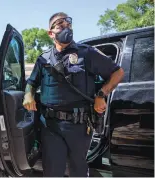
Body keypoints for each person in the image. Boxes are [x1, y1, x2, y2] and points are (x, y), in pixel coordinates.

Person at [23, 12, 124, 177]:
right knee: (52, 172)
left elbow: (118, 73)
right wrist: (28, 95)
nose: (66, 27)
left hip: (78, 126)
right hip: (51, 127)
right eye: (60, 25)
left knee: (78, 172)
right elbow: (31, 83)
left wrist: (101, 94)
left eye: (68, 24)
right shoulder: (43, 59)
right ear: (51, 33)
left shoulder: (88, 53)